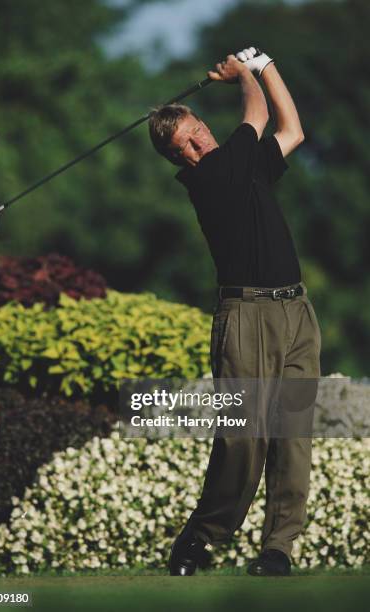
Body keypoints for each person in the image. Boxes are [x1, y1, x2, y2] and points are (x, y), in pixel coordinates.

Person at [148, 47, 321, 577]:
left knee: (292, 437)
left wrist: (269, 66)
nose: (195, 151)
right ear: (181, 161)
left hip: (295, 311)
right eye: (183, 151)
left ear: (201, 123)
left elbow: (292, 130)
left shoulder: (245, 166)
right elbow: (260, 114)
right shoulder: (210, 176)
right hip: (244, 316)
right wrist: (244, 73)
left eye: (194, 137)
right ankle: (200, 539)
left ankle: (278, 549)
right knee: (242, 439)